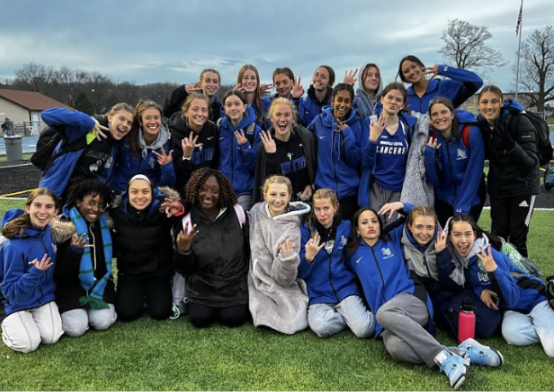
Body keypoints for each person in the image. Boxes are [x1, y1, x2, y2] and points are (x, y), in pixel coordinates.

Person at [345, 205, 504, 390]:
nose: (371, 226)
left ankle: (445, 361)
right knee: (395, 348)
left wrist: (403, 205)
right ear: (357, 229)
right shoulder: (351, 254)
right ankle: (462, 352)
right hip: (390, 318)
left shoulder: (393, 238)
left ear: (381, 225)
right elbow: (341, 276)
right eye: (364, 222)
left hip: (412, 297)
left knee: (382, 313)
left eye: (374, 221)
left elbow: (418, 220)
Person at [386, 203, 501, 339]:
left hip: (452, 290)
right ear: (410, 226)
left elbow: (458, 282)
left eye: (430, 227)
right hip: (425, 295)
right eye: (419, 227)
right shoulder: (399, 242)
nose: (424, 233)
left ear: (436, 226)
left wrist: (442, 254)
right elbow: (380, 234)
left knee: (486, 321)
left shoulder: (446, 241)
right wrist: (403, 205)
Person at [446, 215, 554, 358]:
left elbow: (513, 297)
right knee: (511, 334)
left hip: (534, 300)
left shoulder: (491, 255)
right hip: (512, 309)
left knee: (552, 350)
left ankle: (547, 326)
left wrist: (494, 270)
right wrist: (481, 291)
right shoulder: (462, 259)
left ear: (476, 235)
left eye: (468, 234)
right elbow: (475, 283)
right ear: (449, 237)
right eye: (457, 235)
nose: (463, 240)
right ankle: (545, 329)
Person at [174, 168, 250, 328]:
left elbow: (248, 250)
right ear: (195, 189)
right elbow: (184, 269)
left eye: (215, 191)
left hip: (234, 286)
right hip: (202, 287)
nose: (208, 195)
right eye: (203, 189)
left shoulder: (237, 213)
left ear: (223, 193)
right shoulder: (186, 220)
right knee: (200, 319)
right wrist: (184, 250)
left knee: (234, 318)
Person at [298, 189, 374, 338]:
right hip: (319, 294)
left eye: (326, 208)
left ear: (335, 207)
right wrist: (308, 258)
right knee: (321, 327)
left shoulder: (347, 227)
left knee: (364, 330)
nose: (322, 214)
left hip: (345, 289)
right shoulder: (304, 232)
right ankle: (348, 319)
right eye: (318, 209)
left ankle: (359, 319)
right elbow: (300, 273)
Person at [476, 85, 540, 257]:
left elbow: (531, 163)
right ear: (479, 105)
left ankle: (522, 280)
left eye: (494, 101)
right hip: (499, 189)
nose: (489, 106)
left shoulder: (519, 121)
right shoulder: (481, 124)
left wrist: (510, 145)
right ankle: (500, 278)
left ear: (502, 103)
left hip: (523, 187)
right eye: (484, 102)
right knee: (497, 236)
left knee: (517, 237)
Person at [110, 175, 184, 322]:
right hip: (130, 272)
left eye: (145, 192)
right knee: (127, 314)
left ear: (152, 192)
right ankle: (138, 295)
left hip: (157, 272)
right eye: (134, 192)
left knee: (160, 312)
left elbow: (184, 210)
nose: (140, 196)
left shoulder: (164, 208)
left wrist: (180, 208)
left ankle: (150, 294)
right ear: (127, 193)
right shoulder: (117, 212)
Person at [0, 188, 63, 353]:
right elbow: (10, 291)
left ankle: (29, 320)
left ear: (55, 211)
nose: (43, 211)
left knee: (51, 337)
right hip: (15, 301)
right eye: (38, 205)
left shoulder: (50, 232)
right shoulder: (12, 245)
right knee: (28, 344)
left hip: (43, 298)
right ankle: (7, 323)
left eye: (49, 207)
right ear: (28, 208)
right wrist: (35, 273)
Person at [52, 179, 117, 337]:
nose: (96, 209)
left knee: (102, 322)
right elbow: (61, 274)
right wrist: (74, 251)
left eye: (101, 205)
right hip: (72, 288)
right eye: (91, 202)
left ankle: (93, 308)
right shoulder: (64, 228)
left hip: (100, 286)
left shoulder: (106, 227)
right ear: (78, 201)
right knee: (76, 329)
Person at [248, 176, 311, 334]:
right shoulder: (256, 211)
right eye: (273, 194)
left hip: (277, 279)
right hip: (254, 275)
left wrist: (287, 259)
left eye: (283, 195)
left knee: (289, 315)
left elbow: (285, 280)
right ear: (265, 195)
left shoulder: (292, 229)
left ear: (290, 196)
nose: (278, 200)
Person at [38, 103, 134, 201]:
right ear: (110, 117)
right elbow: (46, 115)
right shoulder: (86, 129)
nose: (125, 125)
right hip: (54, 195)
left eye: (129, 123)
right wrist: (86, 120)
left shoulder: (116, 145)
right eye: (121, 119)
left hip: (80, 201)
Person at [359, 82, 416, 224]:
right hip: (375, 188)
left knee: (394, 232)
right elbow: (366, 161)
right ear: (382, 99)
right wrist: (372, 140)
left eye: (398, 100)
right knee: (375, 229)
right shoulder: (370, 123)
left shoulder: (408, 127)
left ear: (402, 105)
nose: (393, 102)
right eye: (390, 97)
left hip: (399, 189)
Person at [424, 98, 486, 226]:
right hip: (444, 198)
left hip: (471, 197)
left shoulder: (470, 132)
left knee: (464, 239)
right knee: (445, 241)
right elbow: (434, 180)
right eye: (434, 114)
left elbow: (474, 174)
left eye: (443, 112)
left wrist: (461, 207)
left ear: (452, 114)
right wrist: (429, 154)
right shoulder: (432, 136)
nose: (440, 117)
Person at [308, 83, 361, 221]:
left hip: (348, 192)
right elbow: (305, 143)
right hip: (322, 190)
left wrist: (348, 135)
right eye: (339, 100)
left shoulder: (356, 125)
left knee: (345, 235)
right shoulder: (319, 121)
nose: (342, 104)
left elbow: (355, 161)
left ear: (351, 103)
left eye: (347, 101)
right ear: (332, 101)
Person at [253, 98, 316, 204]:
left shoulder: (306, 138)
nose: (282, 119)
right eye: (278, 115)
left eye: (287, 115)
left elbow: (315, 169)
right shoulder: (265, 146)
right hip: (279, 205)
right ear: (271, 118)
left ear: (293, 118)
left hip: (305, 202)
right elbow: (266, 183)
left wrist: (311, 186)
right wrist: (271, 155)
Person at [110, 100, 175, 194]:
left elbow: (168, 185)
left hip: (146, 198)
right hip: (119, 194)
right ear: (140, 121)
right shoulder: (127, 139)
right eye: (148, 118)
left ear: (161, 120)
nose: (153, 122)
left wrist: (167, 167)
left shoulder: (166, 146)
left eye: (156, 117)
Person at [218, 90, 262, 211]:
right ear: (224, 108)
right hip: (222, 190)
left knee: (239, 222)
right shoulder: (219, 128)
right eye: (229, 105)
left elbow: (255, 166)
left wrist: (245, 147)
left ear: (244, 107)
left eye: (237, 104)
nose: (233, 108)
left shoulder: (255, 131)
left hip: (245, 192)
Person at [168, 93, 219, 197]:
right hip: (184, 191)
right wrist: (186, 156)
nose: (200, 114)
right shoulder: (175, 133)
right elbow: (177, 173)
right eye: (195, 109)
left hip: (207, 189)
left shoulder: (213, 130)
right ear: (186, 112)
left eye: (204, 110)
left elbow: (215, 163)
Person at [398, 55, 483, 114]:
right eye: (406, 71)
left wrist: (444, 70)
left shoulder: (444, 87)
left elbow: (476, 81)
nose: (412, 72)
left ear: (421, 66)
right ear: (404, 77)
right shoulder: (404, 97)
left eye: (414, 66)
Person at [235, 64, 266, 129]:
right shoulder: (234, 105)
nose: (249, 81)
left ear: (257, 81)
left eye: (253, 78)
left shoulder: (265, 103)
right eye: (246, 78)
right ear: (240, 81)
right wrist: (232, 96)